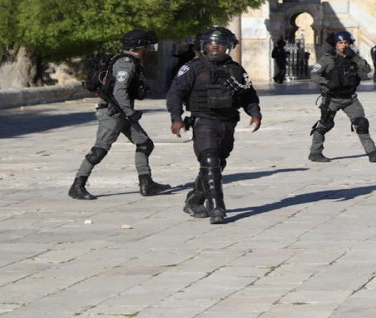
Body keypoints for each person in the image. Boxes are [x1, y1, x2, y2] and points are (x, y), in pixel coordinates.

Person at [166, 27, 262, 225]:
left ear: (228, 46)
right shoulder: (193, 67)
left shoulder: (236, 69)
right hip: (204, 120)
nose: (216, 46)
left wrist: (254, 113)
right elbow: (175, 93)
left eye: (220, 43)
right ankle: (217, 207)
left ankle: (194, 199)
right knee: (210, 159)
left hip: (228, 121)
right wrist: (176, 118)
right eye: (211, 42)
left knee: (219, 162)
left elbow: (248, 94)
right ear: (204, 45)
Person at [69, 29, 171, 201]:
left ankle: (146, 183)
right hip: (113, 113)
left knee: (145, 143)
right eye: (146, 45)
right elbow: (119, 91)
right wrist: (130, 113)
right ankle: (77, 185)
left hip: (122, 113)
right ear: (139, 46)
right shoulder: (126, 63)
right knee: (99, 150)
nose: (148, 48)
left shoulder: (132, 61)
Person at [308, 30, 376, 163]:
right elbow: (315, 75)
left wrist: (355, 57)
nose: (344, 45)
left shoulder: (353, 57)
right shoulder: (327, 59)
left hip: (350, 98)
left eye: (346, 43)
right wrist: (327, 82)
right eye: (340, 43)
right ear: (335, 44)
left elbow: (367, 69)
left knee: (361, 123)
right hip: (331, 98)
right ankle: (315, 152)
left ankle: (373, 153)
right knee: (325, 125)